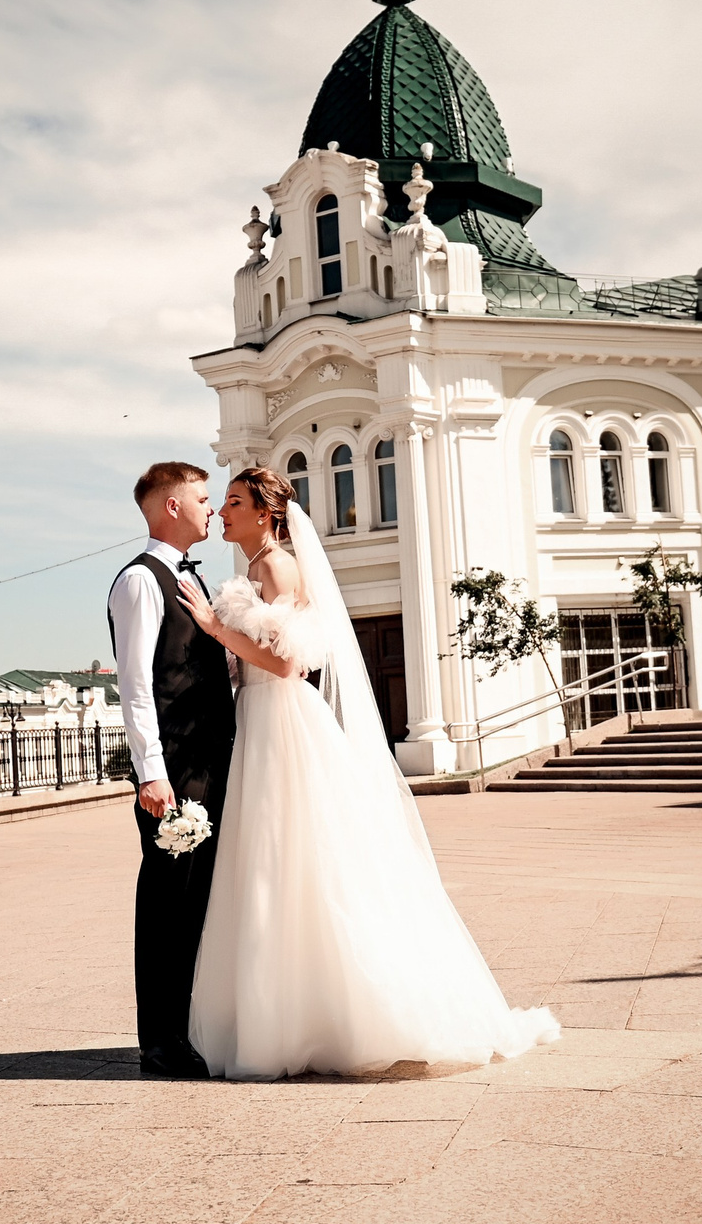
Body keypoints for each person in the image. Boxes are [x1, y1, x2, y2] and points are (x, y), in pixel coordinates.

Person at [176, 467, 560, 1079]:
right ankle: (281, 1010)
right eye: (222, 503)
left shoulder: (276, 566)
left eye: (234, 503)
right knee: (270, 861)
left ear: (265, 513)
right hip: (257, 721)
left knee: (301, 855)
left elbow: (286, 663)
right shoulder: (254, 569)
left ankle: (340, 1014)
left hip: (282, 722)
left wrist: (217, 628)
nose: (223, 513)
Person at [105, 461, 237, 1079]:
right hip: (175, 769)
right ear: (172, 507)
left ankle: (185, 1031)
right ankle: (159, 1044)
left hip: (209, 760)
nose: (212, 509)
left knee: (197, 902)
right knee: (167, 904)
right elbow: (134, 686)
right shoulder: (140, 581)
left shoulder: (191, 579)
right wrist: (151, 774)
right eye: (204, 499)